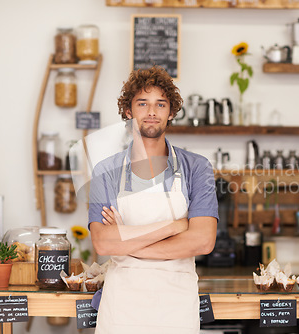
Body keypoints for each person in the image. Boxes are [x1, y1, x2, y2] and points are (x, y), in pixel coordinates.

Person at [88, 66, 219, 334]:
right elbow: (103, 241)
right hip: (121, 308)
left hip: (176, 308)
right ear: (128, 111)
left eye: (160, 104)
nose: (151, 112)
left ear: (170, 112)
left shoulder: (197, 168)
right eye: (142, 103)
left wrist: (127, 243)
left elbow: (203, 241)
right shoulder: (106, 171)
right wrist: (174, 227)